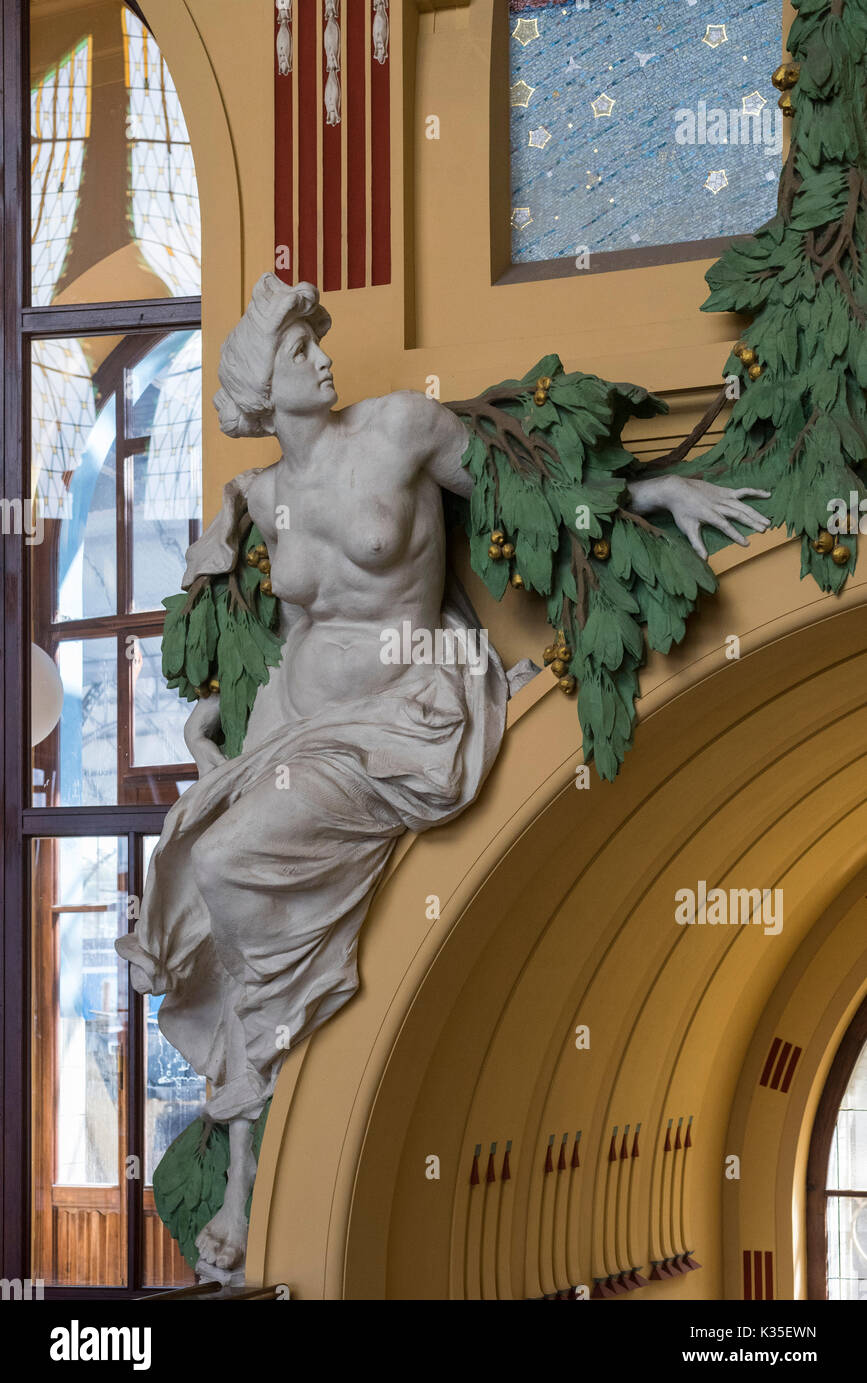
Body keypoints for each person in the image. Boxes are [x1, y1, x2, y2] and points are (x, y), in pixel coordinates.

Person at [117, 274, 770, 1274]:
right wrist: (230, 738)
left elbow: (530, 492)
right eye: (299, 351)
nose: (324, 357)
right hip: (301, 726)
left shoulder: (399, 430)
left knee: (230, 866)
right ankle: (250, 1151)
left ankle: (284, 1038)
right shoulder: (258, 497)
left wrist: (651, 489)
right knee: (203, 869)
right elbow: (270, 626)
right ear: (260, 390)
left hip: (406, 715)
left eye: (317, 342)